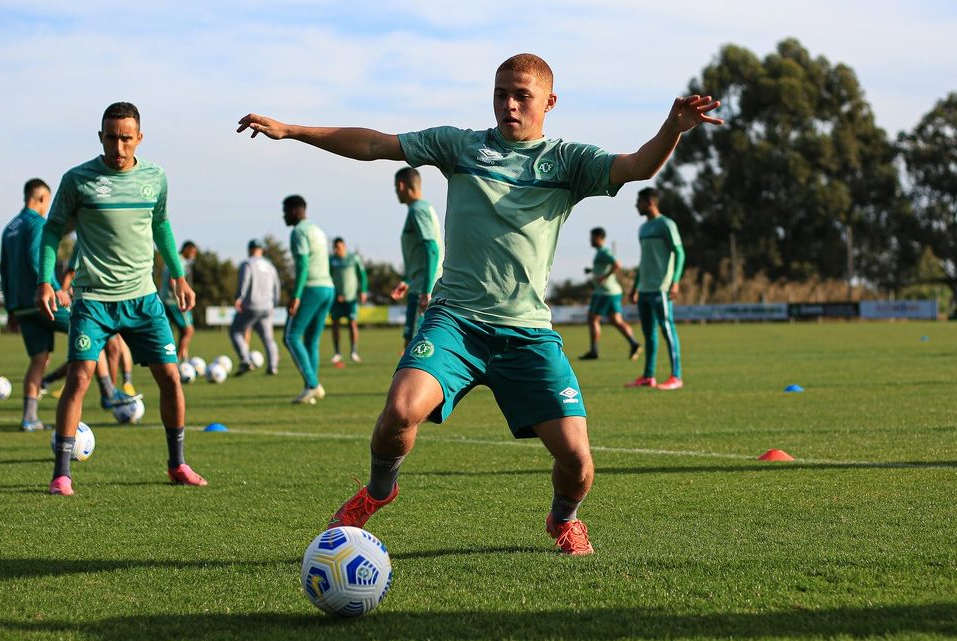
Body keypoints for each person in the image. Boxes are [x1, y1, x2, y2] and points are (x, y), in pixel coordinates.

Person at [237, 53, 721, 555]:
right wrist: (292, 130)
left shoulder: (569, 162)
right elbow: (376, 144)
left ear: (549, 102)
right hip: (456, 322)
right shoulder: (461, 146)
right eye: (500, 93)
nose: (508, 105)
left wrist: (674, 127)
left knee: (578, 462)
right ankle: (380, 490)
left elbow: (637, 165)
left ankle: (563, 519)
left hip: (528, 333)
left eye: (521, 96)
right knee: (399, 412)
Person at [37, 101, 207, 496]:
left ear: (139, 138)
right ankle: (62, 473)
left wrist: (178, 276)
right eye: (111, 137)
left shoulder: (155, 178)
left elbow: (161, 225)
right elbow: (52, 232)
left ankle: (177, 464)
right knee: (79, 378)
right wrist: (47, 281)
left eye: (126, 138)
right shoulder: (78, 180)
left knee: (170, 377)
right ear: (101, 137)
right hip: (92, 299)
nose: (118, 147)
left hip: (143, 299)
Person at [0, 178, 70, 431]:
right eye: (47, 202)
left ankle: (29, 418)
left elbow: (5, 271)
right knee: (91, 335)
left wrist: (10, 310)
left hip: (21, 306)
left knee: (39, 359)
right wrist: (55, 288)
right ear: (41, 198)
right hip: (43, 300)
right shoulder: (39, 224)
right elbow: (35, 258)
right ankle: (109, 394)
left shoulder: (9, 228)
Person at [62, 245, 139, 406]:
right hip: (90, 303)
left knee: (114, 348)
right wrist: (63, 291)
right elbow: (70, 271)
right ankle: (108, 392)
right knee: (91, 355)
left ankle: (110, 392)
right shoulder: (82, 241)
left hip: (110, 302)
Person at [626, 187, 685, 391]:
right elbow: (644, 260)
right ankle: (648, 376)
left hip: (662, 288)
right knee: (649, 333)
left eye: (639, 201)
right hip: (644, 289)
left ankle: (676, 376)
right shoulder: (643, 229)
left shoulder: (666, 225)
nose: (636, 205)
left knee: (667, 330)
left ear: (650, 202)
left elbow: (680, 252)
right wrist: (635, 287)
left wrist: (675, 281)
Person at [282, 195, 334, 404]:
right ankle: (312, 387)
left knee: (291, 336)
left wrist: (296, 295)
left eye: (285, 211)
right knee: (312, 340)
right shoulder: (317, 230)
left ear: (294, 211)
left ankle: (312, 384)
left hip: (312, 287)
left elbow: (303, 264)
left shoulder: (298, 231)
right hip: (328, 287)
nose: (283, 216)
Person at [390, 167, 443, 348]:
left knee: (413, 347)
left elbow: (432, 249)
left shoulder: (417, 210)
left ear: (401, 185)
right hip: (420, 284)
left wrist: (426, 290)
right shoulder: (424, 208)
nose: (396, 192)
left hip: (423, 288)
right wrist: (407, 280)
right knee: (417, 346)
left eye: (396, 188)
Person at [579, 227, 640, 361]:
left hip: (604, 292)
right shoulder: (601, 252)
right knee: (616, 320)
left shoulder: (604, 251)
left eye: (592, 237)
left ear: (599, 237)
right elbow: (604, 267)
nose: (590, 240)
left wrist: (604, 277)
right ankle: (634, 343)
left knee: (593, 318)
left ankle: (594, 350)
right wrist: (592, 271)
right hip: (613, 292)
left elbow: (617, 264)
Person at [230, 239, 280, 376]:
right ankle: (273, 366)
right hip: (267, 307)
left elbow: (244, 282)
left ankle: (245, 360)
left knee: (236, 332)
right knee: (268, 338)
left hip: (251, 306)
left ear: (250, 249)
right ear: (261, 250)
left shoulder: (248, 264)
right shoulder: (270, 266)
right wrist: (274, 303)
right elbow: (277, 287)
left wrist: (239, 298)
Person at [329, 237, 368, 364]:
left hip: (351, 298)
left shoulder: (353, 258)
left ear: (344, 246)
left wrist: (363, 291)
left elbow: (362, 275)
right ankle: (337, 353)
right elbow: (328, 277)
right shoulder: (331, 260)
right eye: (334, 248)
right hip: (336, 298)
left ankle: (354, 352)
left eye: (338, 247)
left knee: (352, 323)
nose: (336, 250)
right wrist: (334, 294)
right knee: (335, 324)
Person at [160, 240, 198, 363]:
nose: (194, 255)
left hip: (166, 300)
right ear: (187, 249)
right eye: (193, 252)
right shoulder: (179, 261)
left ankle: (182, 357)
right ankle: (179, 361)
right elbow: (173, 280)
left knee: (181, 330)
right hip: (173, 301)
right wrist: (181, 298)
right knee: (188, 330)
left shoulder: (175, 259)